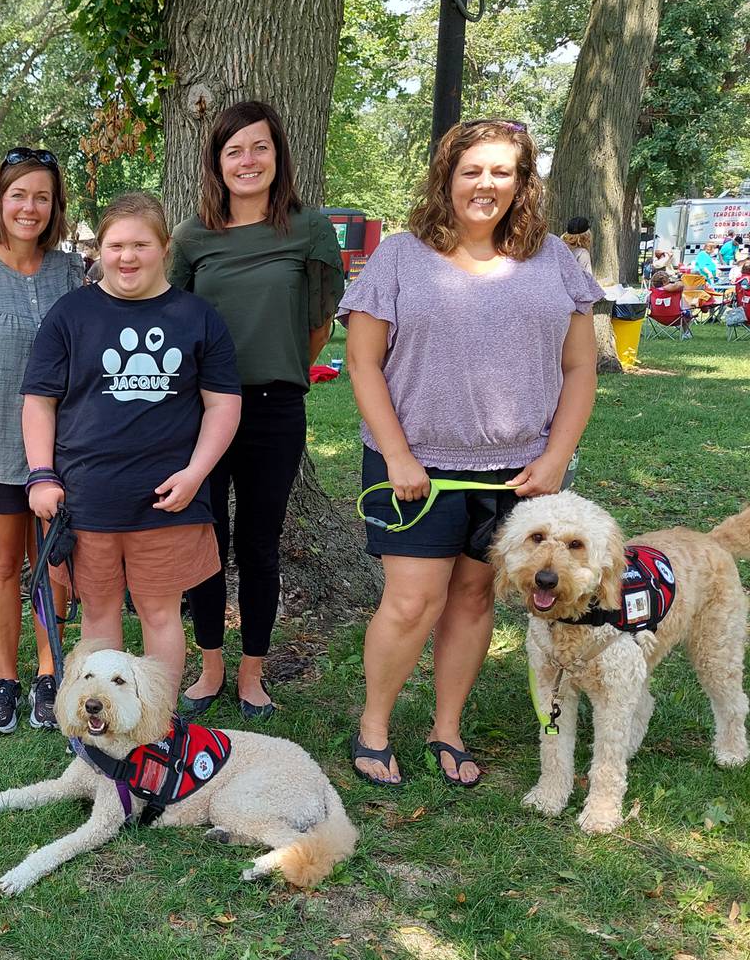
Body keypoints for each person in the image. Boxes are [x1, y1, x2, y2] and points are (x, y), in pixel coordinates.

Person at [340, 119, 599, 789]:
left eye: (502, 171)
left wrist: (555, 460)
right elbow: (363, 364)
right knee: (410, 603)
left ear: (522, 182)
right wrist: (397, 455)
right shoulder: (400, 256)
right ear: (446, 177)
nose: (486, 184)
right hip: (414, 466)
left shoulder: (555, 262)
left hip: (521, 473)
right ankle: (373, 726)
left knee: (475, 598)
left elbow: (579, 369)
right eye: (472, 170)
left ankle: (445, 729)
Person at [168, 101, 345, 721]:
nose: (247, 161)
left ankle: (253, 674)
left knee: (259, 541)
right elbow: (172, 323)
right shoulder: (191, 238)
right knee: (205, 539)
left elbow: (318, 323)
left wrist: (279, 362)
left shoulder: (308, 229)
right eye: (234, 150)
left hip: (274, 408)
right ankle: (210, 663)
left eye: (259, 148)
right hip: (200, 411)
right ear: (217, 162)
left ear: (278, 155)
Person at [21, 192, 242, 680]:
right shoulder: (70, 315)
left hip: (167, 496)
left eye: (140, 244)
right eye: (115, 245)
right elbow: (39, 401)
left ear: (165, 248)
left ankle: (157, 724)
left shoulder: (198, 318)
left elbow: (223, 404)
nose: (126, 257)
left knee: (159, 612)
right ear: (99, 250)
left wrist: (196, 474)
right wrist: (41, 475)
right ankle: (109, 728)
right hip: (87, 495)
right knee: (99, 615)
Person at [0, 147, 87, 733]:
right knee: (4, 566)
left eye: (42, 197)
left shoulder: (73, 274)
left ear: (54, 207)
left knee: (54, 566)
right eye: (19, 194)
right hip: (0, 450)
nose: (30, 207)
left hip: (66, 450)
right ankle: (6, 679)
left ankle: (49, 676)